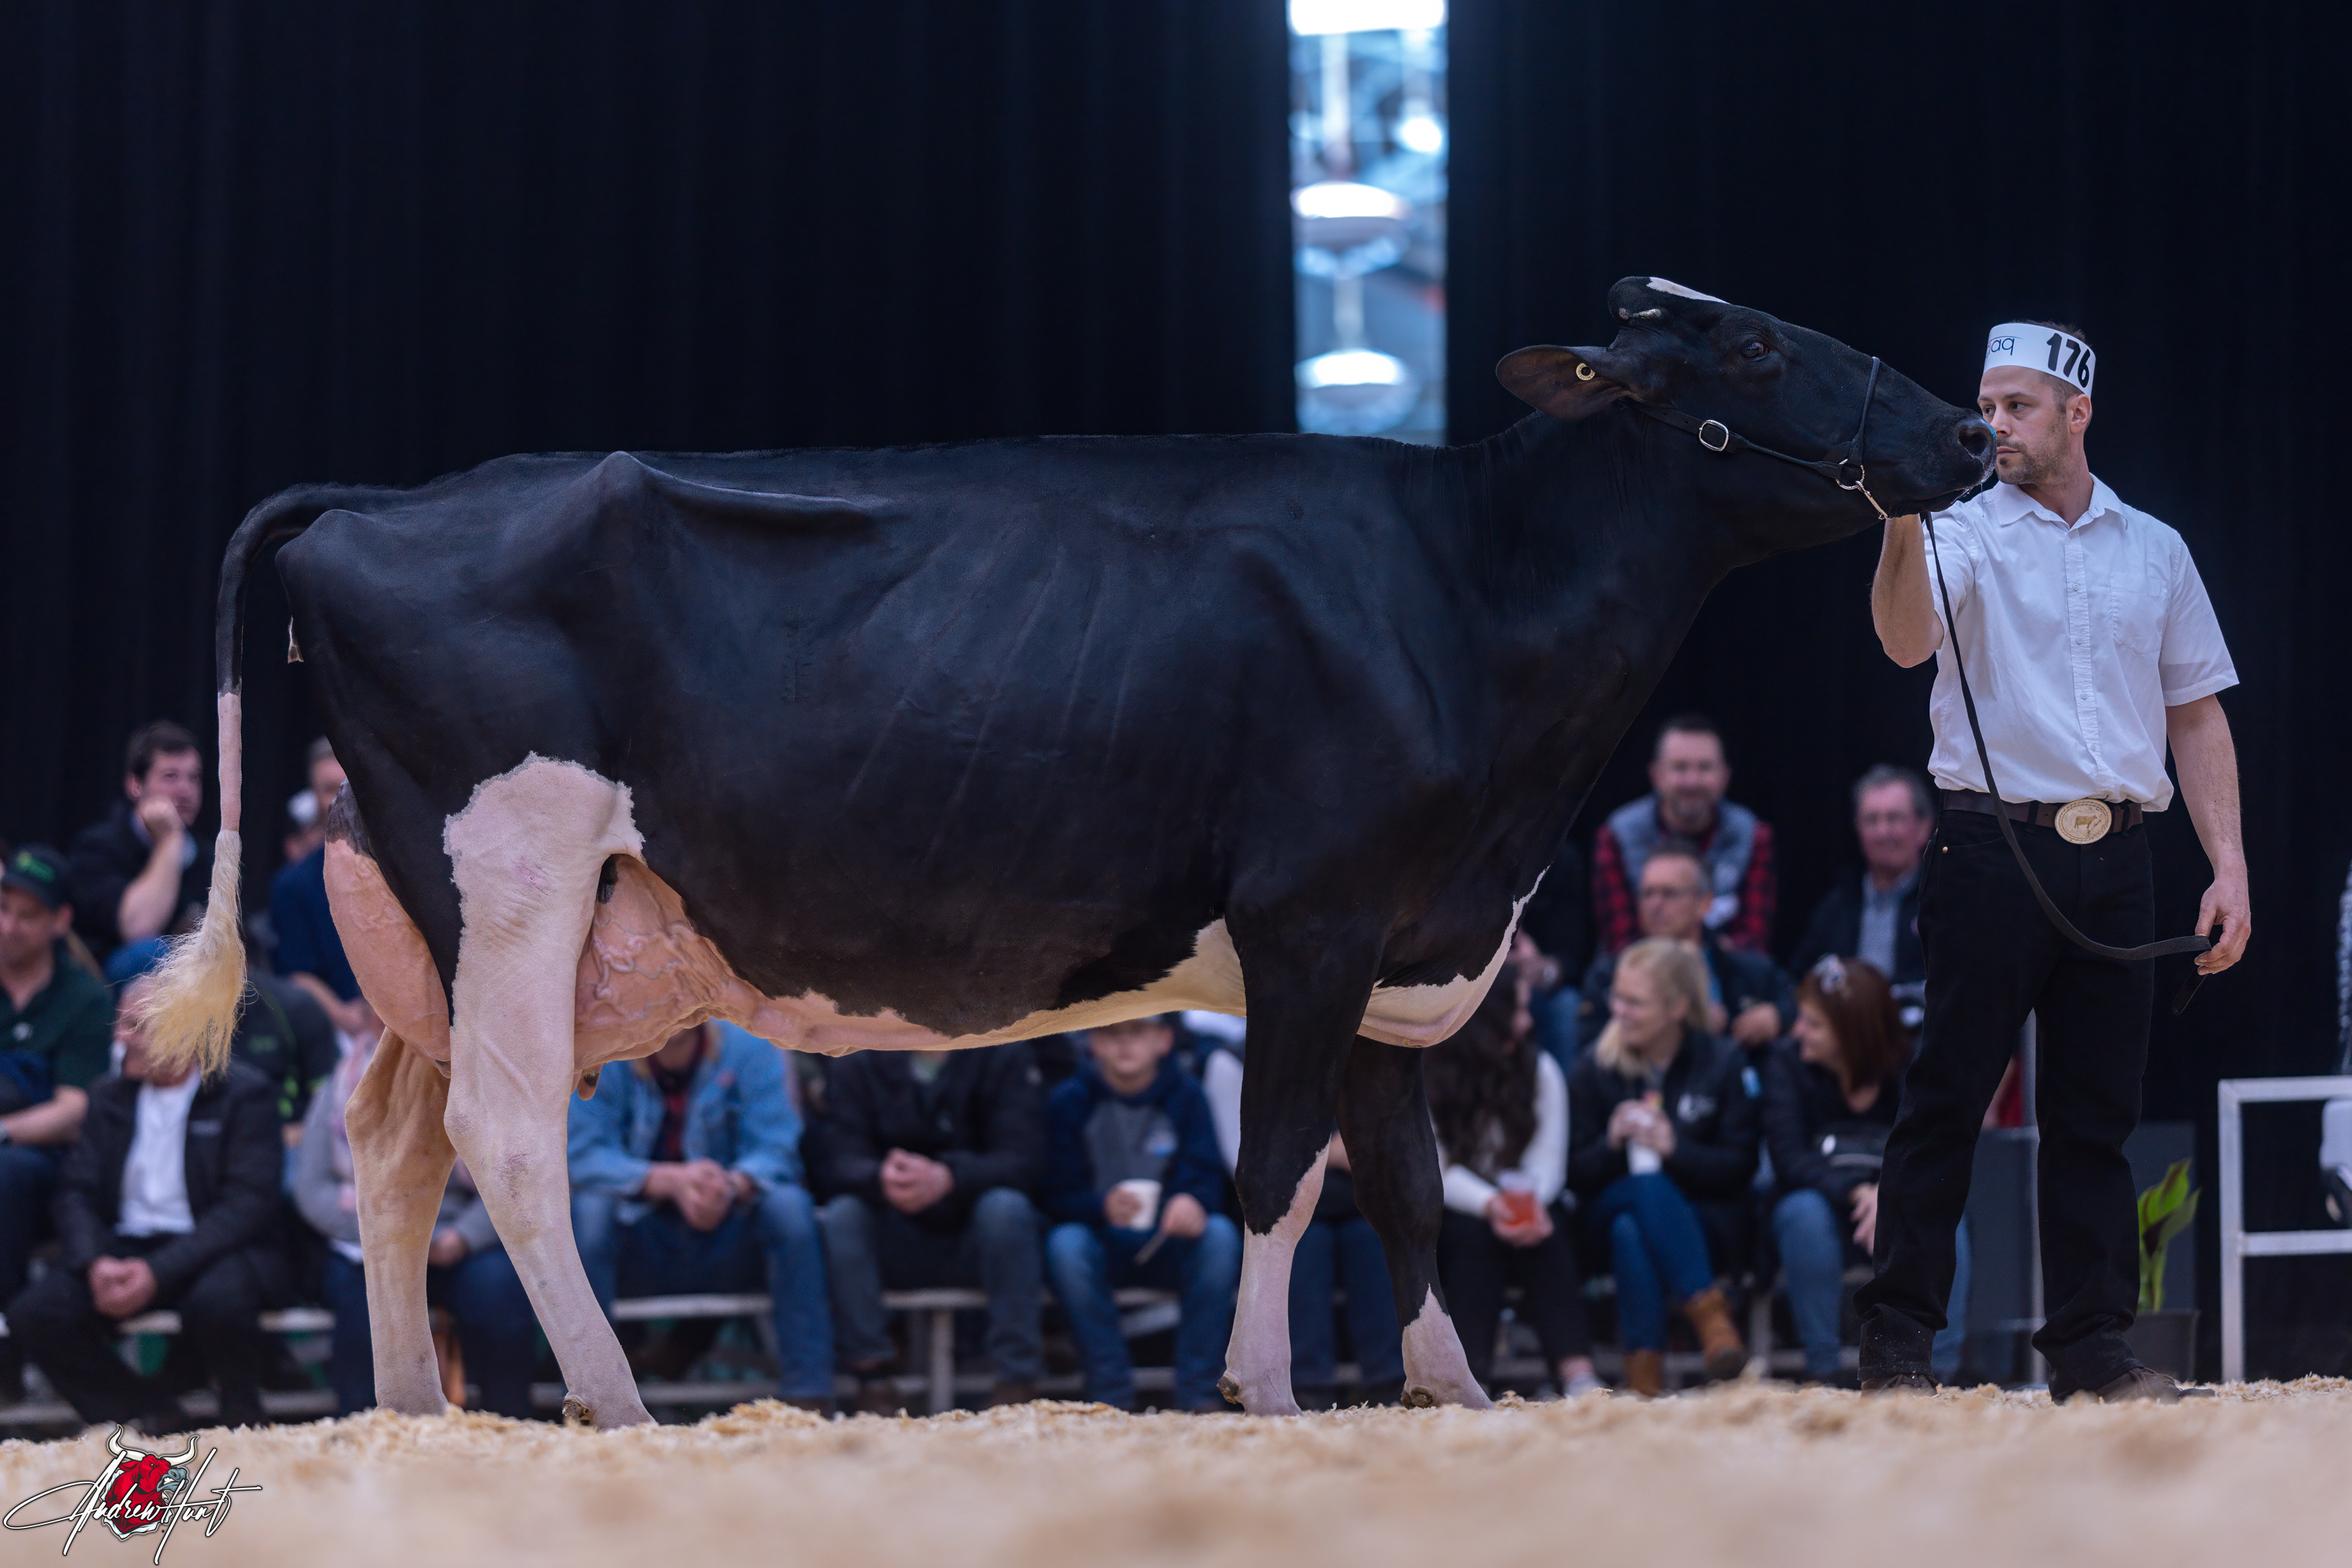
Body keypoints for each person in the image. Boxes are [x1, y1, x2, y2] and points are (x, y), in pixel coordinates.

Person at [1860, 319, 2248, 1401]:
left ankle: (2092, 1348)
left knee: (2096, 1115)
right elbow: (1903, 641)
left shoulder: (2155, 547)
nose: (1996, 425)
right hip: (1990, 846)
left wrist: (2229, 865)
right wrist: (1899, 517)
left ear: (2078, 412)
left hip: (2119, 852)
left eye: (2018, 407)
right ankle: (1898, 1347)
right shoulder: (1959, 530)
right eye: (1987, 406)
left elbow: (2197, 712)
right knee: (1947, 1098)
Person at [6, 976, 287, 1430]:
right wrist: (94, 1261)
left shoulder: (243, 1094)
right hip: (125, 1245)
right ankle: (147, 1416)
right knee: (34, 1314)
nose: (120, 1038)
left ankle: (242, 1421)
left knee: (221, 1302)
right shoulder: (107, 1095)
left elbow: (246, 1206)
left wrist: (157, 1272)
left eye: (135, 1026)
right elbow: (74, 1190)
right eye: (121, 1024)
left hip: (211, 1248)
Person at [568, 1020, 834, 1411]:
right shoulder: (604, 1052)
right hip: (638, 1238)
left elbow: (778, 1146)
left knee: (790, 1208)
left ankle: (808, 1395)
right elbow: (580, 1154)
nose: (669, 999)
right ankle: (590, 1396)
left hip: (727, 1236)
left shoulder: (752, 1046)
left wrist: (730, 1186)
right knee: (589, 1213)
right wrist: (667, 1180)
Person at [296, 1027, 539, 1417]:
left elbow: (510, 1181)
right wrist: (390, 1235)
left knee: (499, 1297)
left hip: (456, 1237)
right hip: (368, 1241)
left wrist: (462, 1237)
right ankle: (366, 1429)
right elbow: (312, 1189)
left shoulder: (481, 1083)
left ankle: (508, 1421)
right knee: (361, 1314)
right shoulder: (336, 1089)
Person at [1566, 937, 1759, 1396]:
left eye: (1635, 1002)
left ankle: (1643, 1380)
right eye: (1617, 997)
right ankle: (1712, 1320)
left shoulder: (1722, 1061)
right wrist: (1612, 1144)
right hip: (1602, 1216)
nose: (1619, 1011)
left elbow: (1741, 1167)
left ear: (1677, 1008)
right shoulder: (1593, 1067)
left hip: (1703, 1218)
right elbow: (1573, 1175)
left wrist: (1676, 1150)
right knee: (1642, 1193)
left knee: (1633, 1228)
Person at [1766, 955, 1969, 1384]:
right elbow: (1789, 1157)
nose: (1797, 1031)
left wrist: (1888, 1194)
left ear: (1852, 1032)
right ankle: (1821, 1371)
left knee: (1945, 1216)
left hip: (1895, 1205)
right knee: (1802, 1215)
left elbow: (1929, 1146)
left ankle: (1943, 1371)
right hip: (1827, 1207)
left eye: (1813, 1025)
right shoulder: (1787, 1062)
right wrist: (1860, 1191)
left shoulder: (1909, 1064)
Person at [814, 1041, 1045, 1410]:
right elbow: (837, 1158)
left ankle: (1016, 1380)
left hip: (975, 1235)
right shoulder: (855, 1056)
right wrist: (883, 1177)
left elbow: (1023, 1159)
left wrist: (949, 1176)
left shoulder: (1003, 1050)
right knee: (844, 1215)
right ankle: (872, 1378)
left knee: (1006, 1209)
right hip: (893, 1232)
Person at [1041, 1015, 1239, 1412]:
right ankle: (1108, 1392)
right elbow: (1052, 1191)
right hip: (1101, 1242)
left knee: (1219, 1236)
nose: (1125, 1043)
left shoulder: (1188, 1095)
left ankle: (1201, 1391)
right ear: (1093, 1042)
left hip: (1170, 1241)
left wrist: (1193, 1201)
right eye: (1112, 1033)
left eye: (1137, 1032)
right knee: (1065, 1245)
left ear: (1163, 1040)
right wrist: (1100, 1206)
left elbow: (1209, 1175)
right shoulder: (1068, 1100)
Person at [1200, 1029, 1405, 1408]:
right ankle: (1306, 1386)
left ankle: (1392, 1383)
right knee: (1301, 1243)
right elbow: (1238, 1156)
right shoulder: (1230, 1059)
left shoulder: (1364, 1046)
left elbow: (1397, 1140)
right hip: (1276, 1204)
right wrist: (1334, 1151)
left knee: (1374, 1237)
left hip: (1359, 1199)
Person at [1425, 960, 1600, 1399]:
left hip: (1526, 1196)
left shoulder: (1541, 1069)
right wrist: (1491, 1205)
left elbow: (1549, 1162)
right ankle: (1470, 1382)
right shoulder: (1429, 1073)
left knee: (1547, 1232)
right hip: (1456, 1204)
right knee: (1472, 1237)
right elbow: (1436, 1167)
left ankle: (1577, 1373)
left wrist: (1524, 1207)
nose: (1526, 1022)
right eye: (1516, 1010)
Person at [0, 847, 114, 1399]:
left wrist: (4, 1131)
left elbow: (74, 1110)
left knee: (9, 1175)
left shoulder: (84, 998)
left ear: (60, 920)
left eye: (27, 916)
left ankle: (7, 1355)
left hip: (46, 1165)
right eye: (3, 909)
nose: (9, 926)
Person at [1578, 841, 1795, 1054]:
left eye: (1669, 893)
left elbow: (1798, 1001)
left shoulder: (1748, 969)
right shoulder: (1610, 974)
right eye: (1647, 893)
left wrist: (1777, 1017)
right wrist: (1687, 1031)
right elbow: (1589, 1052)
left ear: (1704, 903)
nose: (1655, 904)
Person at [1591, 715, 1777, 956]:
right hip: (1640, 967)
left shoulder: (1752, 835)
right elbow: (1620, 941)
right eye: (1680, 767)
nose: (1692, 781)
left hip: (1722, 970)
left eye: (1704, 767)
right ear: (1656, 775)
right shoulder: (1617, 835)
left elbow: (1752, 944)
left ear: (1725, 776)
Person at [67, 720, 213, 980]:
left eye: (194, 778)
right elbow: (139, 929)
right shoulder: (97, 847)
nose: (186, 791)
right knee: (150, 952)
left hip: (191, 983)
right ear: (135, 785)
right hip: (108, 983)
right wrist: (169, 840)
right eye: (171, 776)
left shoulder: (207, 856)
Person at [1791, 765, 1934, 1021]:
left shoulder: (1941, 901)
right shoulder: (1839, 902)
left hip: (1919, 1032)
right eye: (1871, 820)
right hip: (1845, 1033)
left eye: (1894, 818)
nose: (1882, 832)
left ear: (1924, 827)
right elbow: (1802, 976)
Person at [270, 739, 369, 1043]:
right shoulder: (292, 885)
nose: (342, 799)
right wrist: (344, 1016)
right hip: (338, 1032)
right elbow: (297, 975)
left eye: (349, 787)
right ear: (313, 797)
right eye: (329, 789)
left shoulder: (404, 869)